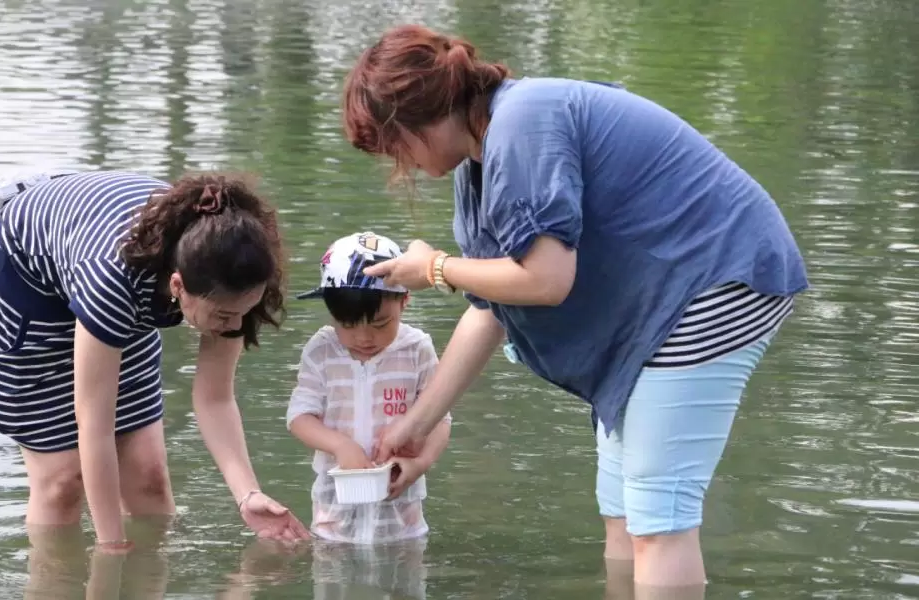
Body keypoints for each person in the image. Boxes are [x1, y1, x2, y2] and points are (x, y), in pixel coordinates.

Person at [339, 24, 809, 592]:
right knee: (623, 512)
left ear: (418, 114)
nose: (399, 164)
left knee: (659, 520)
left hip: (714, 281)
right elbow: (491, 307)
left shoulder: (523, 121)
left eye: (393, 145)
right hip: (651, 313)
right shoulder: (479, 165)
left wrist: (434, 267)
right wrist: (414, 425)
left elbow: (545, 280)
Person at [0, 169, 310, 553]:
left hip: (120, 273)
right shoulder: (114, 283)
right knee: (63, 482)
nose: (233, 326)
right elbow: (94, 423)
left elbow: (214, 398)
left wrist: (248, 495)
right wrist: (111, 548)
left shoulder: (240, 280)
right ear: (179, 287)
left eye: (242, 314)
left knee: (148, 475)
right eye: (223, 316)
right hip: (24, 287)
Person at [285, 231, 451, 545]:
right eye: (347, 325)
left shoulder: (416, 349)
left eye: (379, 324)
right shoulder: (322, 350)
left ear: (404, 301)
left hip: (402, 516)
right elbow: (300, 417)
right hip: (334, 514)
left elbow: (441, 419)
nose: (363, 338)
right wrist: (339, 445)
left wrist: (419, 464)